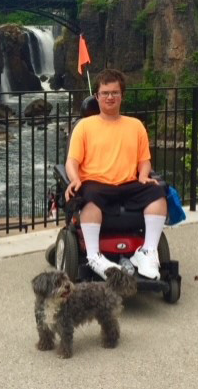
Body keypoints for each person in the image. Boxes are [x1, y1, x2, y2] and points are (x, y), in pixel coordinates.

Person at [64, 69, 167, 280]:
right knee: (88, 197)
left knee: (157, 194)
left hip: (128, 183)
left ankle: (147, 251)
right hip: (96, 184)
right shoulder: (84, 126)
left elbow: (143, 160)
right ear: (97, 96)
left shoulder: (136, 126)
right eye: (105, 93)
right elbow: (72, 161)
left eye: (114, 92)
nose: (110, 97)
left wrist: (144, 175)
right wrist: (75, 179)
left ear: (122, 95)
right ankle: (94, 256)